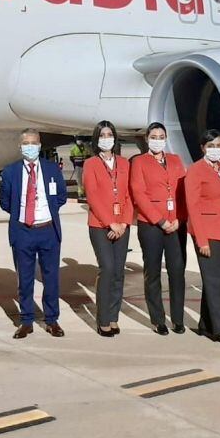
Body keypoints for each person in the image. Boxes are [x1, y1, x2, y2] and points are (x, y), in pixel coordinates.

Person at [0, 129, 69, 339]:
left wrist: (44, 211)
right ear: (20, 147)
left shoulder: (51, 169)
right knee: (25, 279)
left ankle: (51, 319)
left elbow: (62, 196)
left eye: (34, 143)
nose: (30, 146)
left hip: (48, 229)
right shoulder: (10, 172)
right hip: (23, 231)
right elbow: (4, 201)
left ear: (40, 145)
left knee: (51, 277)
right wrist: (23, 213)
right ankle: (26, 320)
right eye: (26, 143)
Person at [130, 123, 188, 335]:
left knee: (177, 271)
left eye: (161, 136)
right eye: (153, 136)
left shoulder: (175, 160)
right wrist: (161, 221)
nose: (157, 139)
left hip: (176, 225)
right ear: (147, 139)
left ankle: (178, 318)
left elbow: (182, 192)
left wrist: (180, 219)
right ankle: (158, 319)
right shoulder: (139, 162)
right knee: (152, 272)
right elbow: (139, 194)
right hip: (152, 225)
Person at [185, 130, 220, 346]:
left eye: (219, 145)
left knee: (215, 281)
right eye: (211, 145)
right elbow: (193, 206)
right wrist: (201, 240)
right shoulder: (195, 170)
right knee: (213, 281)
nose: (216, 149)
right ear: (203, 148)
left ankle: (205, 324)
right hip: (206, 232)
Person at [84, 120, 134, 337]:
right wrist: (109, 222)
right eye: (102, 135)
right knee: (108, 269)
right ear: (97, 139)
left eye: (110, 134)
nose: (107, 138)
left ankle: (113, 316)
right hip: (100, 226)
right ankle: (103, 318)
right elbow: (93, 197)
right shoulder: (91, 164)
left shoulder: (124, 163)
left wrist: (123, 222)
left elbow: (128, 196)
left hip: (122, 225)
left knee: (119, 273)